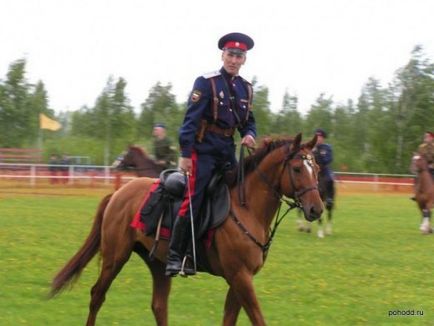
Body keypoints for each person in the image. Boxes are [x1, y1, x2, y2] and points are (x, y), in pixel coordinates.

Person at [165, 32, 257, 277]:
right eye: (230, 54)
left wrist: (249, 135)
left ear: (244, 59)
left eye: (239, 56)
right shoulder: (206, 82)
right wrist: (185, 154)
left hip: (227, 152)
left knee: (240, 194)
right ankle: (176, 256)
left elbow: (249, 122)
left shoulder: (246, 89)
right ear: (223, 55)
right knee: (194, 197)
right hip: (203, 151)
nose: (234, 60)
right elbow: (190, 121)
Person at [312, 128, 335, 209]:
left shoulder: (327, 147)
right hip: (314, 169)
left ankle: (329, 198)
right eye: (316, 137)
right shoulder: (311, 147)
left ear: (323, 138)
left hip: (324, 169)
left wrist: (322, 158)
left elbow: (330, 158)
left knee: (330, 179)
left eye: (320, 137)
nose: (318, 138)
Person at [410, 131, 434, 200]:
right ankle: (416, 193)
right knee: (417, 177)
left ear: (432, 138)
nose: (425, 138)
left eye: (427, 136)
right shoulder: (421, 147)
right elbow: (420, 156)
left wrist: (431, 165)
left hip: (432, 167)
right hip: (424, 166)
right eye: (425, 136)